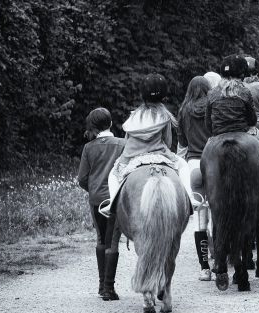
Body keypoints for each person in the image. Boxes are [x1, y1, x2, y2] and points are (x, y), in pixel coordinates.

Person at [99, 73, 201, 218]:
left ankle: (111, 204)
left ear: (143, 94)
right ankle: (190, 198)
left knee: (113, 174)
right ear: (163, 95)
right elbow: (168, 142)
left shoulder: (134, 116)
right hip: (159, 154)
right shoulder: (164, 116)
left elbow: (127, 140)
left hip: (133, 156)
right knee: (184, 166)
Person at [205, 55, 259, 191]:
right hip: (243, 132)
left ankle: (204, 188)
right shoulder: (244, 91)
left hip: (218, 135)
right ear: (242, 74)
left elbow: (208, 124)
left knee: (205, 155)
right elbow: (252, 120)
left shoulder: (212, 93)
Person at [77, 107, 125, 301]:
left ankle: (101, 286)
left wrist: (94, 190)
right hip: (116, 199)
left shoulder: (88, 148)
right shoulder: (122, 143)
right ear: (111, 124)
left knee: (100, 239)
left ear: (93, 127)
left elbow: (82, 178)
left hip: (96, 199)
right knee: (113, 240)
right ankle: (109, 287)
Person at [177, 76, 213, 281]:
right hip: (214, 160)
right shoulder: (213, 106)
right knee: (217, 214)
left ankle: (204, 268)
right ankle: (219, 262)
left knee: (200, 215)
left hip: (193, 164)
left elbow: (182, 142)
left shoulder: (184, 110)